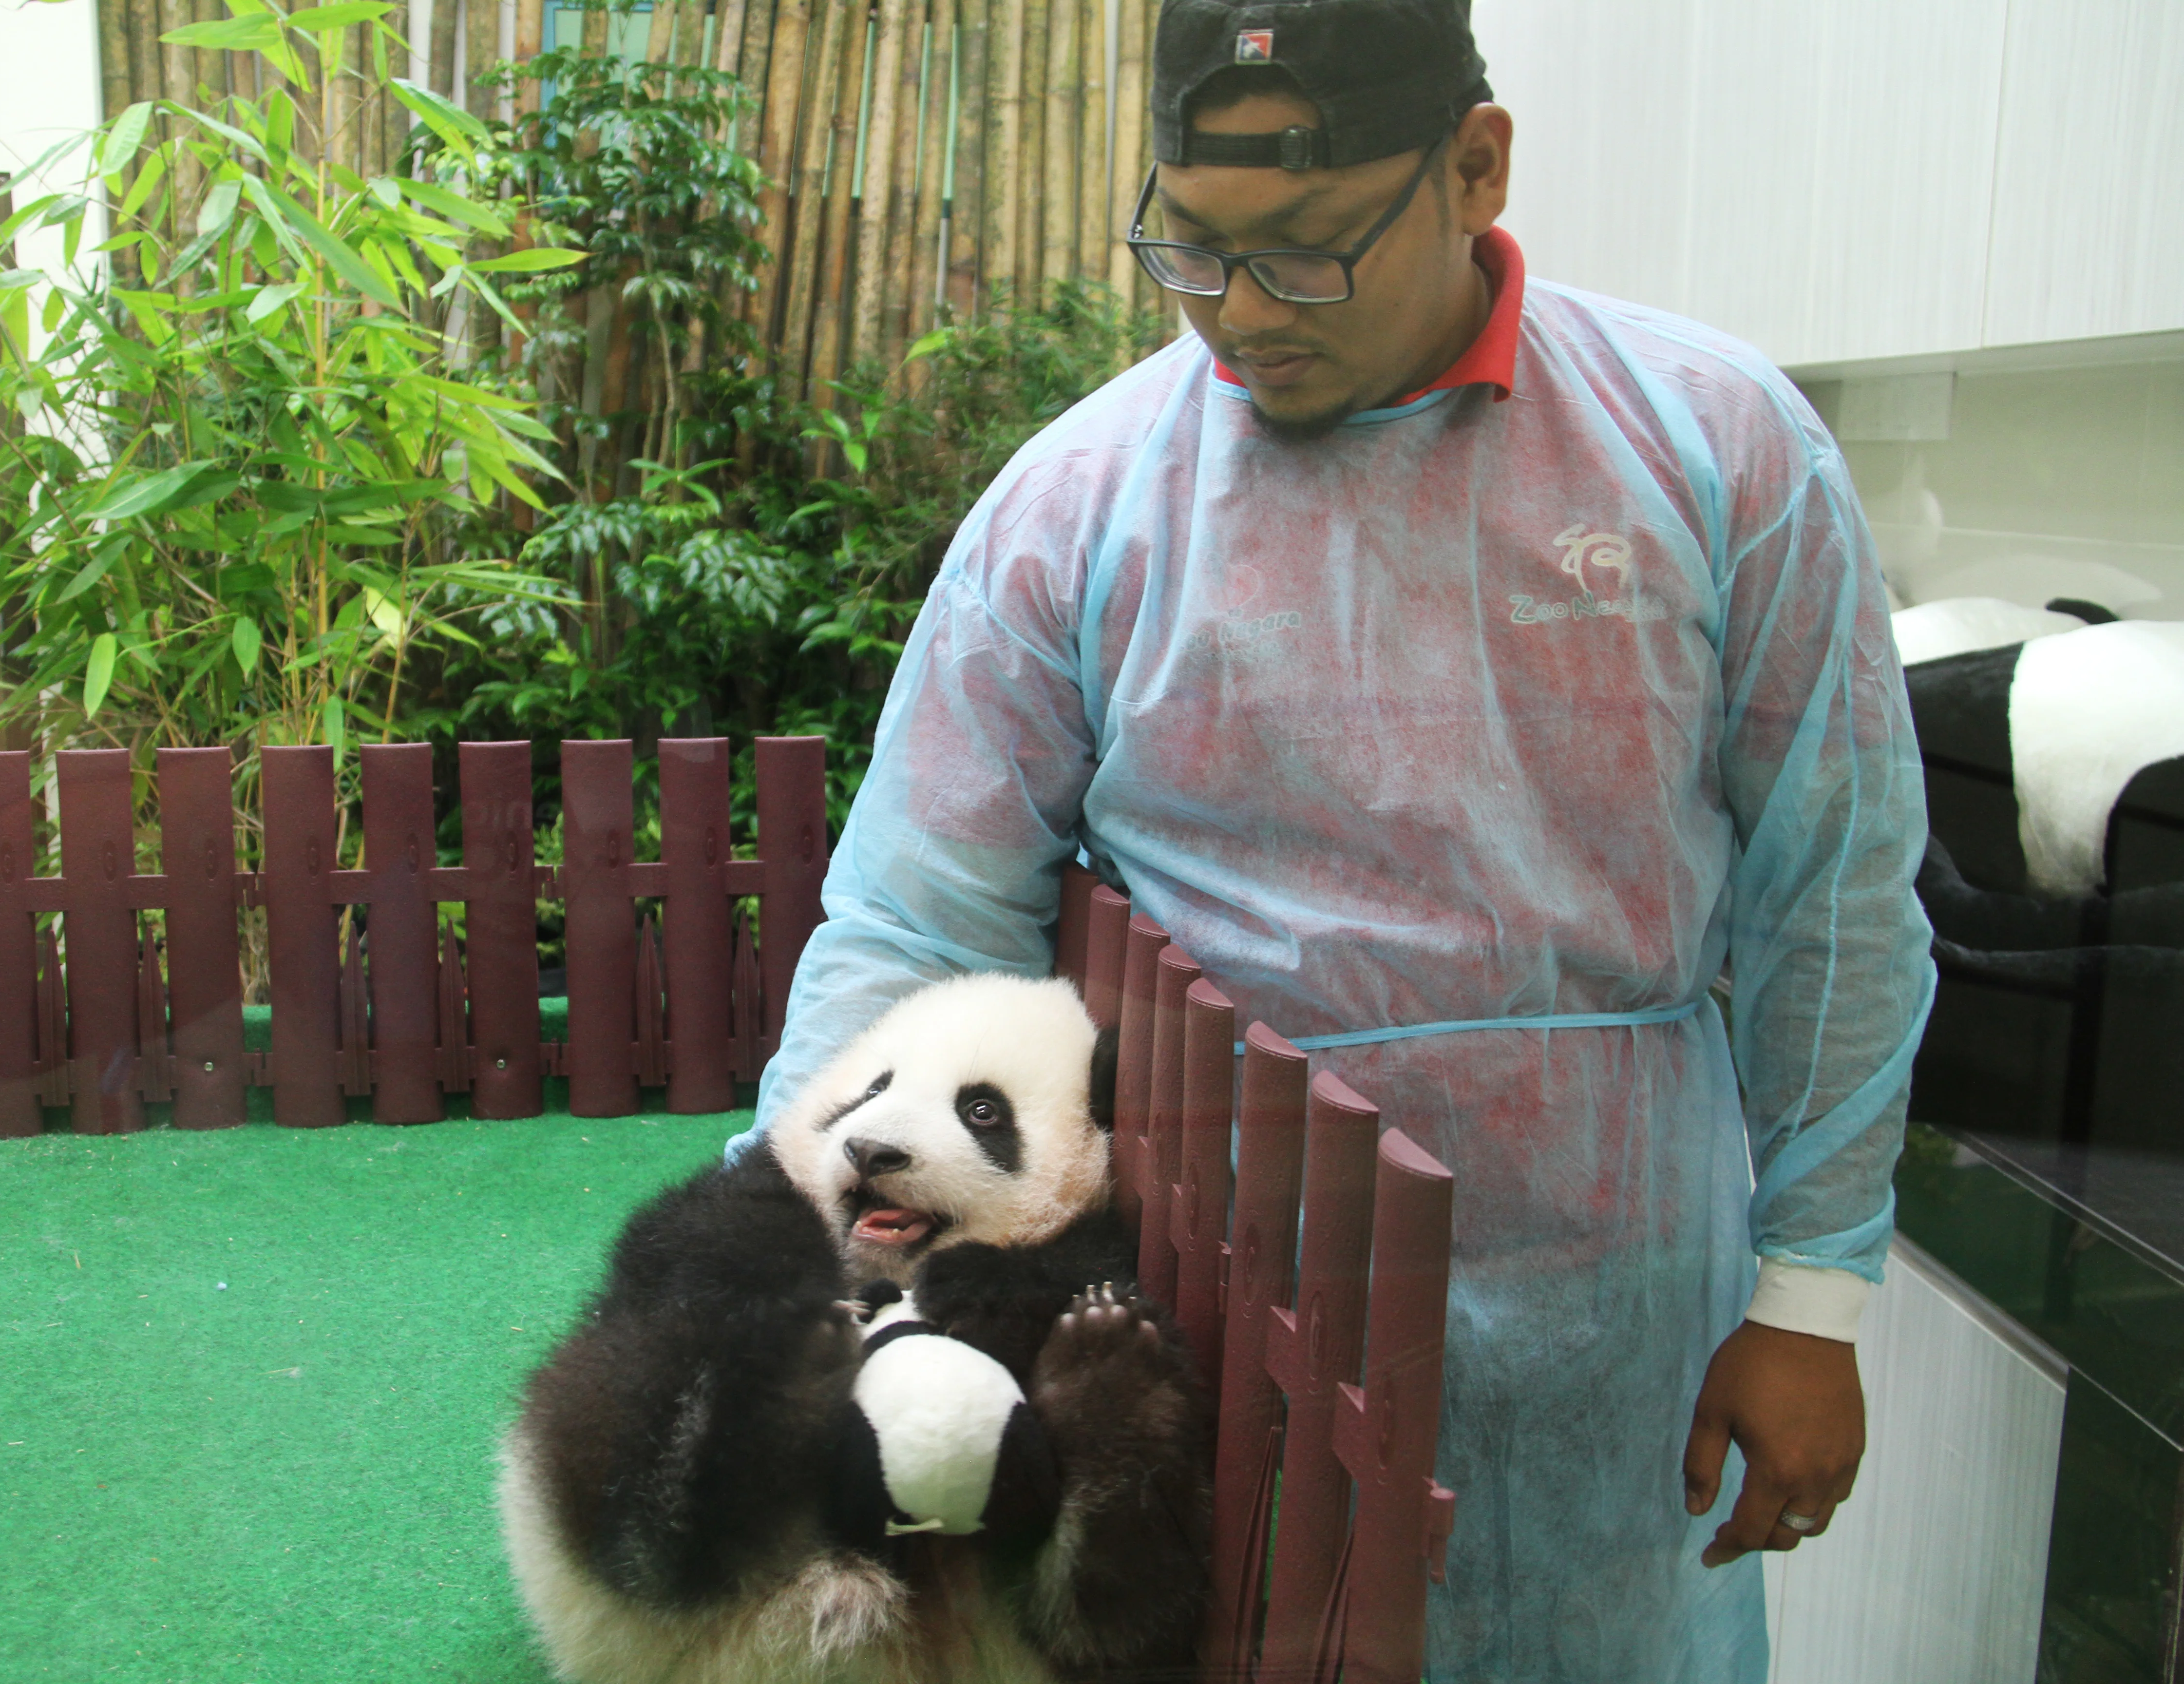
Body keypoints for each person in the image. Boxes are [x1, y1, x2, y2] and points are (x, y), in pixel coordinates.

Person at [730, 0, 1937, 1675]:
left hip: (1623, 1309)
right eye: (1191, 246)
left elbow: (1839, 900)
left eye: (1304, 251)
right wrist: (780, 1267)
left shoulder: (1719, 452)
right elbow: (918, 917)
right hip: (1221, 1308)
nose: (1235, 315)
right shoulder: (1079, 506)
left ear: (1476, 169)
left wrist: (1812, 1301)